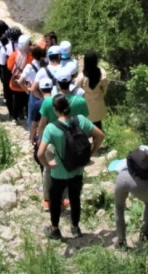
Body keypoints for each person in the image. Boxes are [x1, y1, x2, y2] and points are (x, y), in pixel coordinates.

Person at [37, 94, 104, 240]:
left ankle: (55, 230)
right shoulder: (80, 120)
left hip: (58, 173)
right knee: (75, 199)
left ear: (55, 110)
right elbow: (100, 136)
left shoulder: (51, 128)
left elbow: (40, 153)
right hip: (77, 170)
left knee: (55, 201)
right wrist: (90, 154)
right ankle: (75, 228)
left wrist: (47, 165)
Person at [114, 146, 148, 248]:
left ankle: (121, 241)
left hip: (121, 178)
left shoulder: (141, 152)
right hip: (139, 185)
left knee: (118, 208)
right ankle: (144, 233)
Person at [29, 77, 54, 207]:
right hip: (57, 137)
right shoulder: (57, 101)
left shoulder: (38, 104)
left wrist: (32, 138)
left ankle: (47, 196)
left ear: (40, 89)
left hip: (44, 139)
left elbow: (34, 125)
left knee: (43, 165)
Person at [74, 51, 108, 130]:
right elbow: (105, 88)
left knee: (85, 129)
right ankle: (97, 142)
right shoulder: (102, 72)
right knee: (98, 126)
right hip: (98, 104)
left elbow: (77, 89)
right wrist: (100, 96)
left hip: (85, 106)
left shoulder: (82, 75)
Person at [7, 35, 32, 123]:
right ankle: (22, 114)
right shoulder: (29, 56)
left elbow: (9, 67)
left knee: (15, 100)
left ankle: (14, 117)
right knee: (25, 100)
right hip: (25, 82)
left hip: (15, 81)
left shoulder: (13, 54)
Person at [20, 46, 46, 129]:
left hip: (34, 93)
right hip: (45, 91)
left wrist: (26, 90)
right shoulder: (45, 65)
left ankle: (32, 136)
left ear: (32, 55)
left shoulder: (29, 66)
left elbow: (20, 81)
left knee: (32, 116)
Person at [0, 26, 20, 112]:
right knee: (19, 93)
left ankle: (11, 112)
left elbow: (1, 63)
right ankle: (20, 112)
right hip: (20, 73)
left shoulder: (5, 48)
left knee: (8, 94)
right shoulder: (23, 48)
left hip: (8, 74)